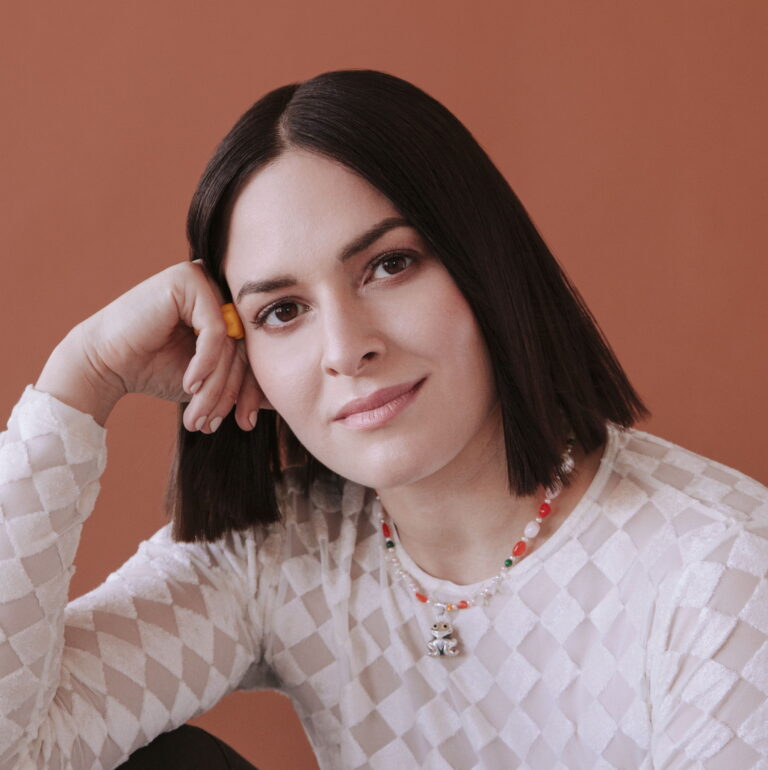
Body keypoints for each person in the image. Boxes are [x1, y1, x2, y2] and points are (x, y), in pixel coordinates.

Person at [0, 68, 766, 770]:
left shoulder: (722, 571)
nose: (346, 348)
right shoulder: (282, 552)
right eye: (283, 311)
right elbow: (19, 747)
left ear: (483, 259)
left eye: (390, 265)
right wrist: (83, 377)